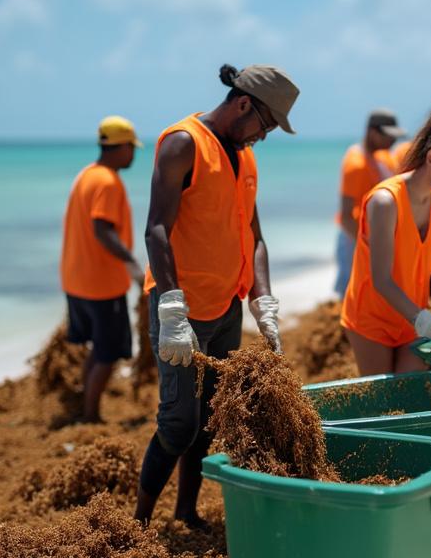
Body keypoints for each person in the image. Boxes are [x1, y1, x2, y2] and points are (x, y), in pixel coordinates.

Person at [134, 63, 301, 530]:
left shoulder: (244, 158)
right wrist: (171, 308)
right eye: (266, 125)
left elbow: (256, 236)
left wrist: (262, 302)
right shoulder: (184, 143)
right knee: (177, 424)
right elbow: (156, 229)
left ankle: (185, 511)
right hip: (180, 309)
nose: (264, 137)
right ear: (244, 103)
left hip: (226, 305)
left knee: (211, 418)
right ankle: (139, 524)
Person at [341, 106, 431, 375]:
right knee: (383, 403)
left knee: (411, 393)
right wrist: (430, 324)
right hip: (373, 317)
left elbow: (430, 251)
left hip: (412, 317)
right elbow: (381, 280)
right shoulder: (385, 201)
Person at [58, 115, 147, 423]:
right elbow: (102, 230)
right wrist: (133, 265)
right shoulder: (108, 182)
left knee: (97, 349)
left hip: (75, 279)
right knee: (108, 354)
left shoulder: (86, 175)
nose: (134, 154)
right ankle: (90, 416)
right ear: (120, 147)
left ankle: (85, 408)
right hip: (101, 283)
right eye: (131, 148)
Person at [335, 109, 402, 297]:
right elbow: (346, 215)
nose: (393, 141)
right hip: (355, 239)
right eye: (389, 136)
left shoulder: (383, 156)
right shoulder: (356, 164)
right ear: (373, 133)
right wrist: (366, 246)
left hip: (376, 237)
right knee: (352, 291)